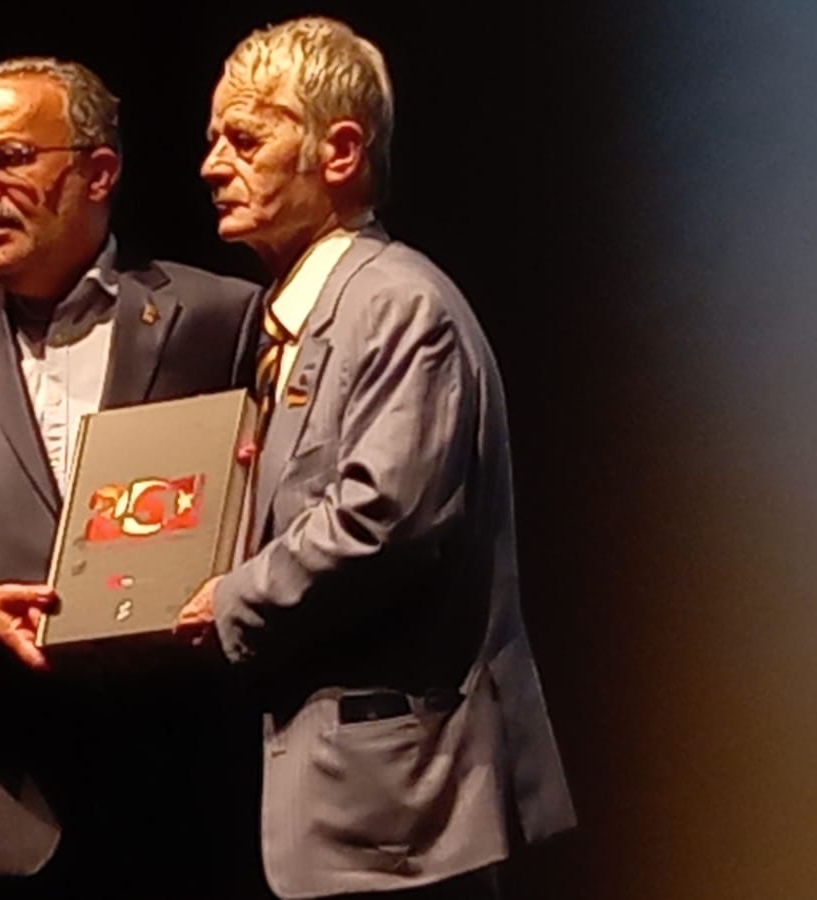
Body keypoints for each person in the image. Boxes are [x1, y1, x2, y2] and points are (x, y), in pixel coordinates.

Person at [174, 17, 577, 899]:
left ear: (341, 151)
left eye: (245, 139)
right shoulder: (293, 322)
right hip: (338, 808)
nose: (210, 166)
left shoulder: (397, 306)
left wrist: (230, 596)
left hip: (399, 814)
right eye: (212, 140)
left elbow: (381, 523)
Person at [0, 56, 265, 898]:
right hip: (7, 796)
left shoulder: (220, 317)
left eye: (9, 159)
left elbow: (274, 498)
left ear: (98, 172)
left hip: (185, 788)